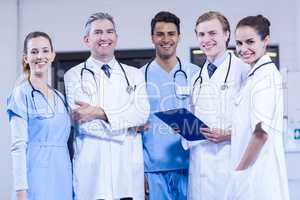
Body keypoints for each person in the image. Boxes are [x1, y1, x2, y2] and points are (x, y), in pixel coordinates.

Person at [64, 12, 150, 200]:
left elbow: (142, 115)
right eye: (98, 32)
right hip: (93, 172)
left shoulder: (134, 75)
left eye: (110, 32)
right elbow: (86, 124)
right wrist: (128, 126)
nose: (105, 37)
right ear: (86, 39)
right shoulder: (73, 75)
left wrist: (98, 112)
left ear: (116, 38)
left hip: (126, 170)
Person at [181, 11, 250, 200]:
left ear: (226, 35)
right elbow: (195, 119)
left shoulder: (243, 70)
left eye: (212, 33)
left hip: (229, 165)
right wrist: (183, 127)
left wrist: (228, 134)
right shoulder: (196, 78)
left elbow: (258, 124)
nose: (206, 39)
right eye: (201, 34)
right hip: (200, 170)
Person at [224, 14, 290, 200]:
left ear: (265, 40)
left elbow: (261, 133)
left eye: (250, 42)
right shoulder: (254, 75)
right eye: (239, 43)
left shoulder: (265, 78)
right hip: (252, 176)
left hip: (256, 178)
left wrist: (239, 171)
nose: (243, 49)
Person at [141, 11, 199, 200]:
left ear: (179, 37)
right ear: (152, 38)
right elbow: (133, 130)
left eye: (171, 34)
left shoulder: (196, 74)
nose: (166, 39)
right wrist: (138, 172)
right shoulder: (139, 77)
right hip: (154, 170)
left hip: (191, 167)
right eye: (160, 34)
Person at [6, 31, 72, 200]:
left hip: (62, 178)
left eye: (45, 50)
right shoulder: (21, 94)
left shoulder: (60, 97)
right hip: (35, 179)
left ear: (52, 55)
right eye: (34, 52)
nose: (40, 56)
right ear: (26, 58)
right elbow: (18, 147)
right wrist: (21, 191)